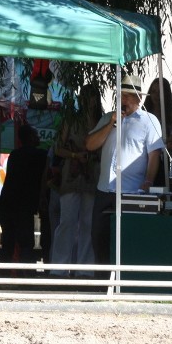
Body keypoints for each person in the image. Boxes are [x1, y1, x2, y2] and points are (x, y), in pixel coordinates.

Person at [86, 74, 162, 266]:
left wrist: (148, 181)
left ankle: (124, 282)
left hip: (131, 191)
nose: (124, 99)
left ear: (138, 98)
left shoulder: (149, 121)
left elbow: (154, 155)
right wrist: (110, 123)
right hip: (104, 190)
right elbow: (89, 145)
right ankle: (101, 283)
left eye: (128, 95)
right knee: (99, 237)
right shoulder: (108, 118)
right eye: (121, 95)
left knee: (126, 240)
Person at [49, 84, 103, 277]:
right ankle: (59, 267)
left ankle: (84, 269)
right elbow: (58, 148)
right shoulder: (71, 120)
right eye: (87, 97)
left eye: (93, 97)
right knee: (67, 221)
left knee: (88, 223)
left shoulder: (102, 121)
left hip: (93, 174)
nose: (89, 101)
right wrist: (74, 155)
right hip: (72, 174)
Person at [0, 124, 48, 267]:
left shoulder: (14, 155)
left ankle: (5, 273)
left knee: (8, 240)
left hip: (8, 202)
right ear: (31, 137)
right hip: (24, 204)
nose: (39, 138)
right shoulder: (41, 155)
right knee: (26, 242)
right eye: (36, 135)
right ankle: (26, 274)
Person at [144, 77, 172, 184]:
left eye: (159, 92)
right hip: (140, 162)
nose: (156, 95)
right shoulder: (143, 114)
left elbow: (171, 144)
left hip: (161, 163)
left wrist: (154, 146)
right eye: (153, 91)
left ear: (166, 94)